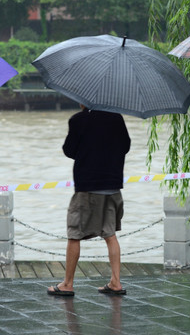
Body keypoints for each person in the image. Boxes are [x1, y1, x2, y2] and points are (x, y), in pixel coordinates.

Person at [47, 105, 130, 296]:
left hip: (88, 187)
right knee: (110, 234)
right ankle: (116, 282)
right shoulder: (116, 118)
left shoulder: (78, 120)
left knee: (74, 233)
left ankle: (67, 283)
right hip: (113, 185)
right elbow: (125, 147)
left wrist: (84, 122)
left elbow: (69, 150)